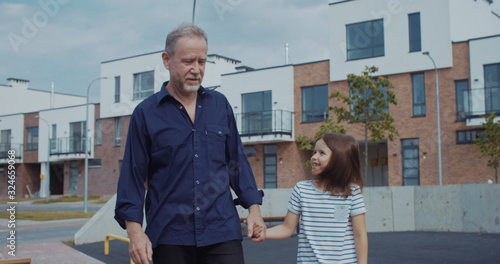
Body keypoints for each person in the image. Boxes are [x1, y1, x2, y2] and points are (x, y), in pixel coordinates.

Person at [114, 23, 266, 264]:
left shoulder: (220, 105)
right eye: (188, 61)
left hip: (222, 230)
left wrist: (254, 209)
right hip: (169, 235)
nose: (196, 69)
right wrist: (135, 232)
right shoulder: (145, 114)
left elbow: (236, 162)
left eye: (202, 61)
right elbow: (132, 177)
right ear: (167, 60)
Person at [264, 133, 368, 263]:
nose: (314, 157)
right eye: (314, 152)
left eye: (321, 153)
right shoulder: (301, 190)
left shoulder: (352, 192)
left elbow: (360, 235)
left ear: (338, 159)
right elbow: (287, 228)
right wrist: (264, 233)